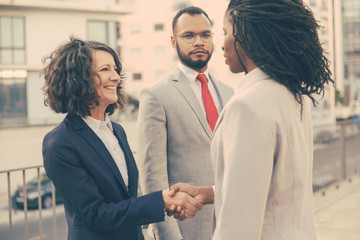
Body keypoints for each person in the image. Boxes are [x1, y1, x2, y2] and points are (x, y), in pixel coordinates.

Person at [171, 0, 334, 239]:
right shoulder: (293, 95)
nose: (222, 44)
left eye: (226, 33)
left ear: (247, 36)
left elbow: (238, 227)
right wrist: (209, 193)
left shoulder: (247, 105)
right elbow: (275, 188)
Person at [41, 37, 203, 240]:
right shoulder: (59, 142)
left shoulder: (117, 130)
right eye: (105, 69)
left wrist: (167, 203)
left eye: (116, 69)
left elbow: (124, 202)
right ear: (78, 78)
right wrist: (160, 201)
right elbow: (96, 214)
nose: (116, 77)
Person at [136, 6, 233, 240]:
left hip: (231, 222)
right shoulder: (155, 95)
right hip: (186, 228)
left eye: (205, 35)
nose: (198, 41)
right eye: (189, 36)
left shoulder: (230, 93)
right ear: (173, 41)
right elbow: (152, 176)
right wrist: (168, 236)